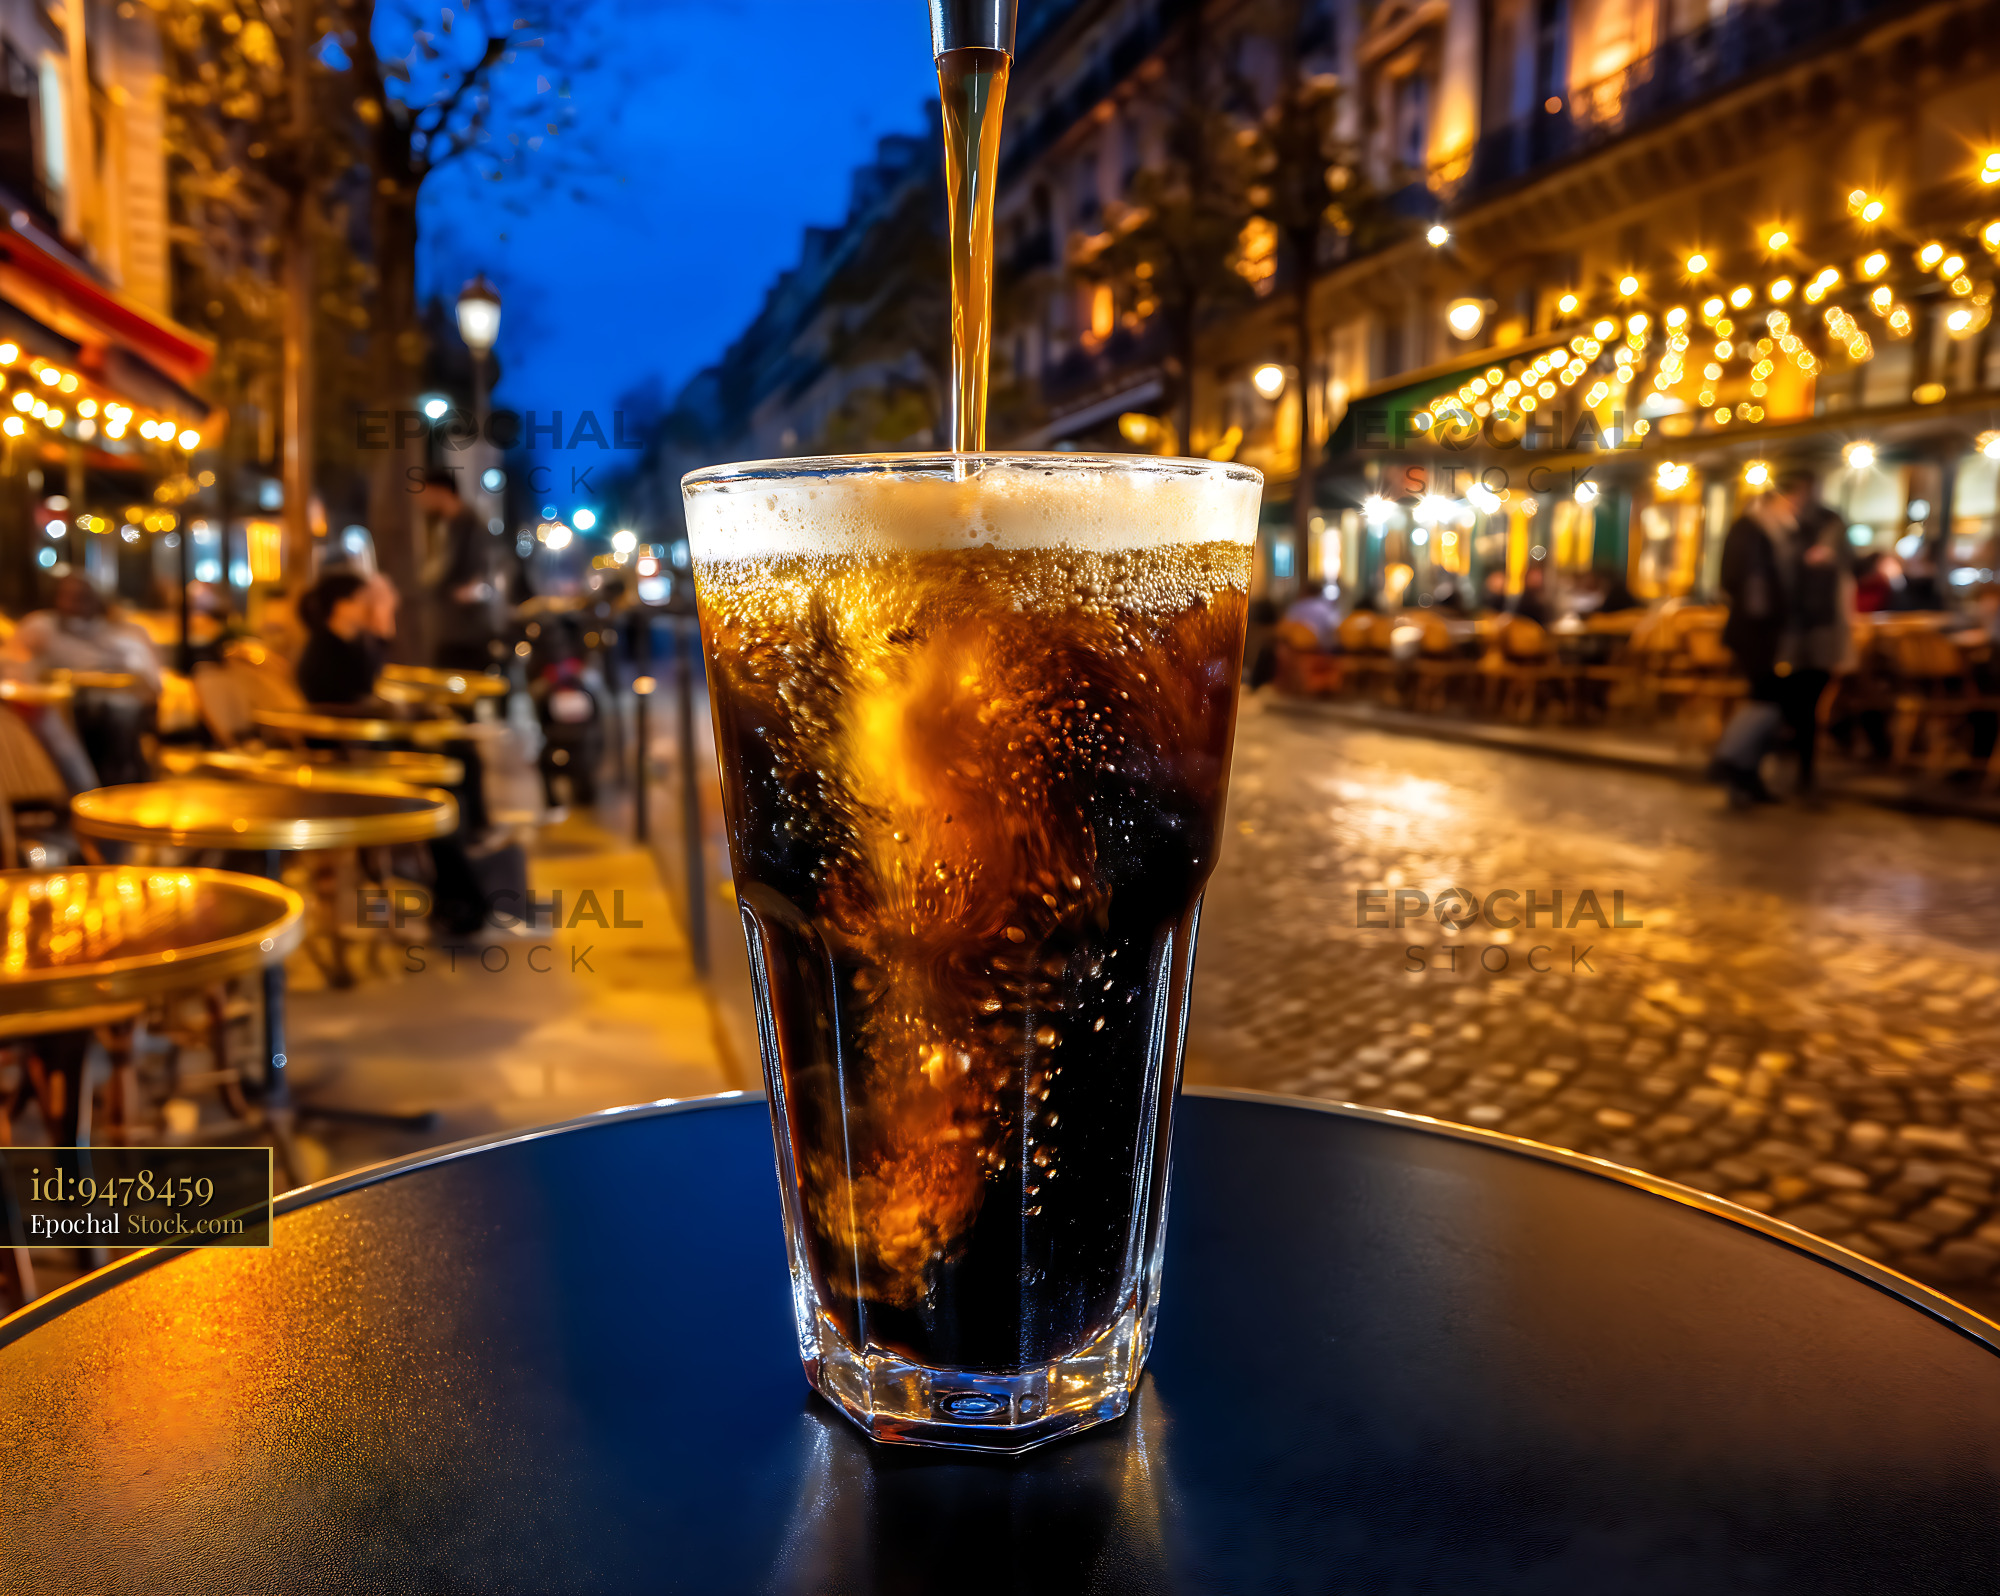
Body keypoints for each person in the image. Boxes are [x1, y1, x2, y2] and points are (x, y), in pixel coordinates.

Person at [295, 569, 511, 937]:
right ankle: (463, 905)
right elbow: (347, 708)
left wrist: (381, 627)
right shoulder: (324, 650)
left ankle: (465, 889)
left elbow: (369, 682)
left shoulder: (348, 642)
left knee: (457, 757)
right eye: (367, 601)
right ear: (343, 606)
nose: (373, 606)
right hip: (352, 764)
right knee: (438, 794)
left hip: (370, 752)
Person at [1713, 469, 1854, 806]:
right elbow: (1746, 586)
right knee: (1771, 700)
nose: (1797, 505)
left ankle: (1742, 772)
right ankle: (1732, 764)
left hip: (1777, 635)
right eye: (1795, 497)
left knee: (1774, 702)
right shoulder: (1760, 530)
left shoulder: (1790, 531)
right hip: (1763, 636)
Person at [8, 575, 161, 787]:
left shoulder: (124, 631)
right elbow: (15, 666)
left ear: (98, 599)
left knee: (119, 715)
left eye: (82, 596)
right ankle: (90, 793)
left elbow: (148, 678)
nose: (73, 603)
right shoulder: (42, 627)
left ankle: (121, 786)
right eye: (67, 596)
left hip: (117, 705)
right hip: (63, 708)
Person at [417, 468, 506, 674]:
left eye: (425, 493)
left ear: (441, 492)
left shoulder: (472, 526)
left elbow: (478, 580)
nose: (421, 500)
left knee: (463, 691)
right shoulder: (445, 525)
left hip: (468, 633)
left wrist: (468, 591)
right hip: (449, 629)